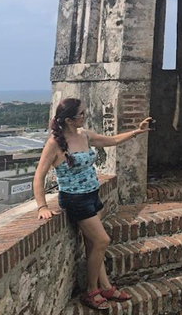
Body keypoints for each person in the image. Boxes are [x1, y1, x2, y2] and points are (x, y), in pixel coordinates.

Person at [34, 98, 152, 311]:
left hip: (92, 195)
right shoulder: (55, 143)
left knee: (93, 243)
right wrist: (42, 206)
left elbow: (113, 140)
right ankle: (90, 291)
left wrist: (137, 131)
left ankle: (105, 286)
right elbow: (39, 176)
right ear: (69, 120)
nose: (85, 117)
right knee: (102, 240)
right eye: (81, 114)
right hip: (75, 199)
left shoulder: (84, 135)